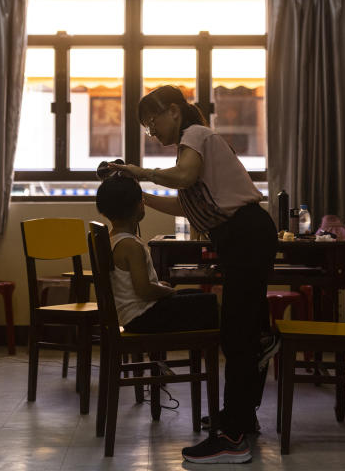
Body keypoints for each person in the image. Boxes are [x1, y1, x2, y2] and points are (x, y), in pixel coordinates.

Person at [109, 85, 278, 465]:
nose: (152, 132)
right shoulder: (195, 145)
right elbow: (187, 203)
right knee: (240, 331)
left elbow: (184, 178)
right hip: (243, 236)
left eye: (152, 122)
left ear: (173, 110)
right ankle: (241, 417)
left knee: (236, 334)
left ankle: (232, 436)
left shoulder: (195, 135)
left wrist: (141, 171)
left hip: (247, 234)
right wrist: (141, 197)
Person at [95, 172, 218, 334]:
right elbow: (144, 290)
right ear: (139, 205)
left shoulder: (112, 239)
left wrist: (159, 286)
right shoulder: (131, 246)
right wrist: (168, 290)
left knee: (195, 294)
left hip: (132, 316)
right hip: (143, 316)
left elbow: (134, 287)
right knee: (208, 302)